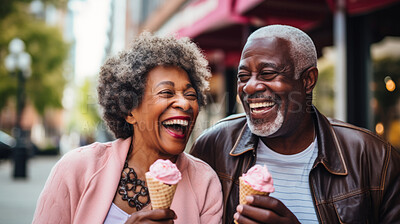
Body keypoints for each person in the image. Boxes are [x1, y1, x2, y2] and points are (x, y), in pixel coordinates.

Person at [190, 24, 400, 224]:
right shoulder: (213, 147)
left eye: (268, 73)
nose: (250, 87)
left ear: (308, 80)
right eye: (243, 76)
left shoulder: (374, 158)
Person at [33, 32, 223, 224]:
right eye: (167, 92)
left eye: (190, 95)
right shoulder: (76, 168)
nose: (185, 104)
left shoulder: (205, 183)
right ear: (129, 111)